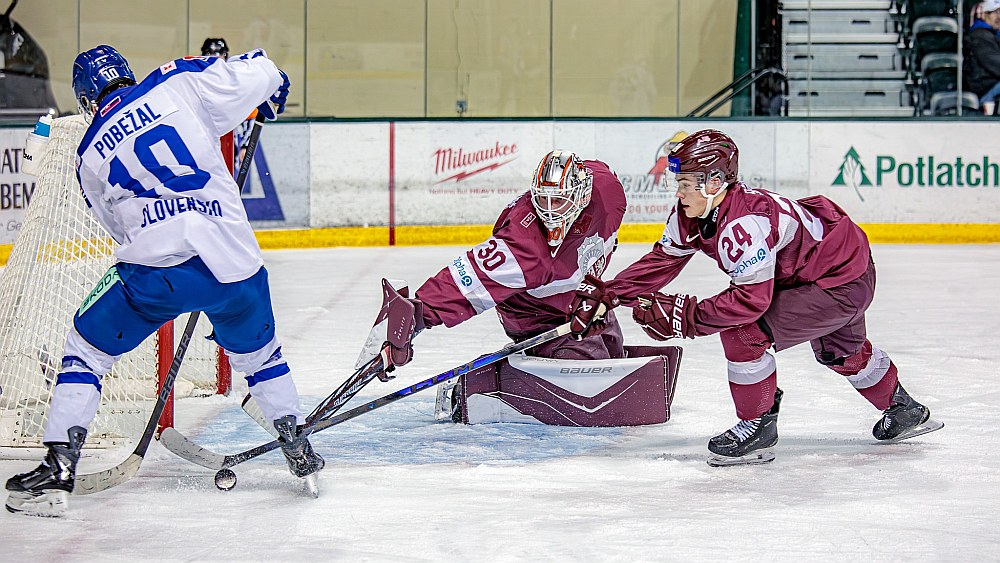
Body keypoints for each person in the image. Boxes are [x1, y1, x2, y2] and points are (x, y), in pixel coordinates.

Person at [5, 45, 321, 516]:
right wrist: (273, 87)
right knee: (261, 357)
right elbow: (263, 70)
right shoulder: (177, 82)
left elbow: (119, 228)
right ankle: (298, 446)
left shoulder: (88, 152)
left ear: (87, 99)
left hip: (156, 274)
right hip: (235, 268)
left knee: (86, 349)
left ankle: (58, 466)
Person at [569, 129, 938, 465]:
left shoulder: (745, 224)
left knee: (743, 333)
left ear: (714, 182)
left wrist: (688, 317)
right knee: (842, 353)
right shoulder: (691, 214)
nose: (678, 192)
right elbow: (663, 261)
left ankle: (757, 425)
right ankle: (904, 410)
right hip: (832, 268)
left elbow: (750, 302)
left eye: (685, 183)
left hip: (837, 281)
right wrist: (609, 294)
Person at [355, 151, 681, 426]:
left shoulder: (608, 192)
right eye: (544, 201)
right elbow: (467, 281)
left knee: (609, 350)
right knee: (585, 374)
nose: (551, 213)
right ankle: (482, 387)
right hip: (533, 312)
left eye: (561, 201)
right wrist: (415, 316)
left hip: (582, 296)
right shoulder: (523, 244)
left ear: (583, 194)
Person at [963, 0, 1000, 112]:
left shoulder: (992, 35)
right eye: (995, 12)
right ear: (984, 15)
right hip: (986, 90)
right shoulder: (980, 35)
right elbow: (996, 64)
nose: (999, 16)